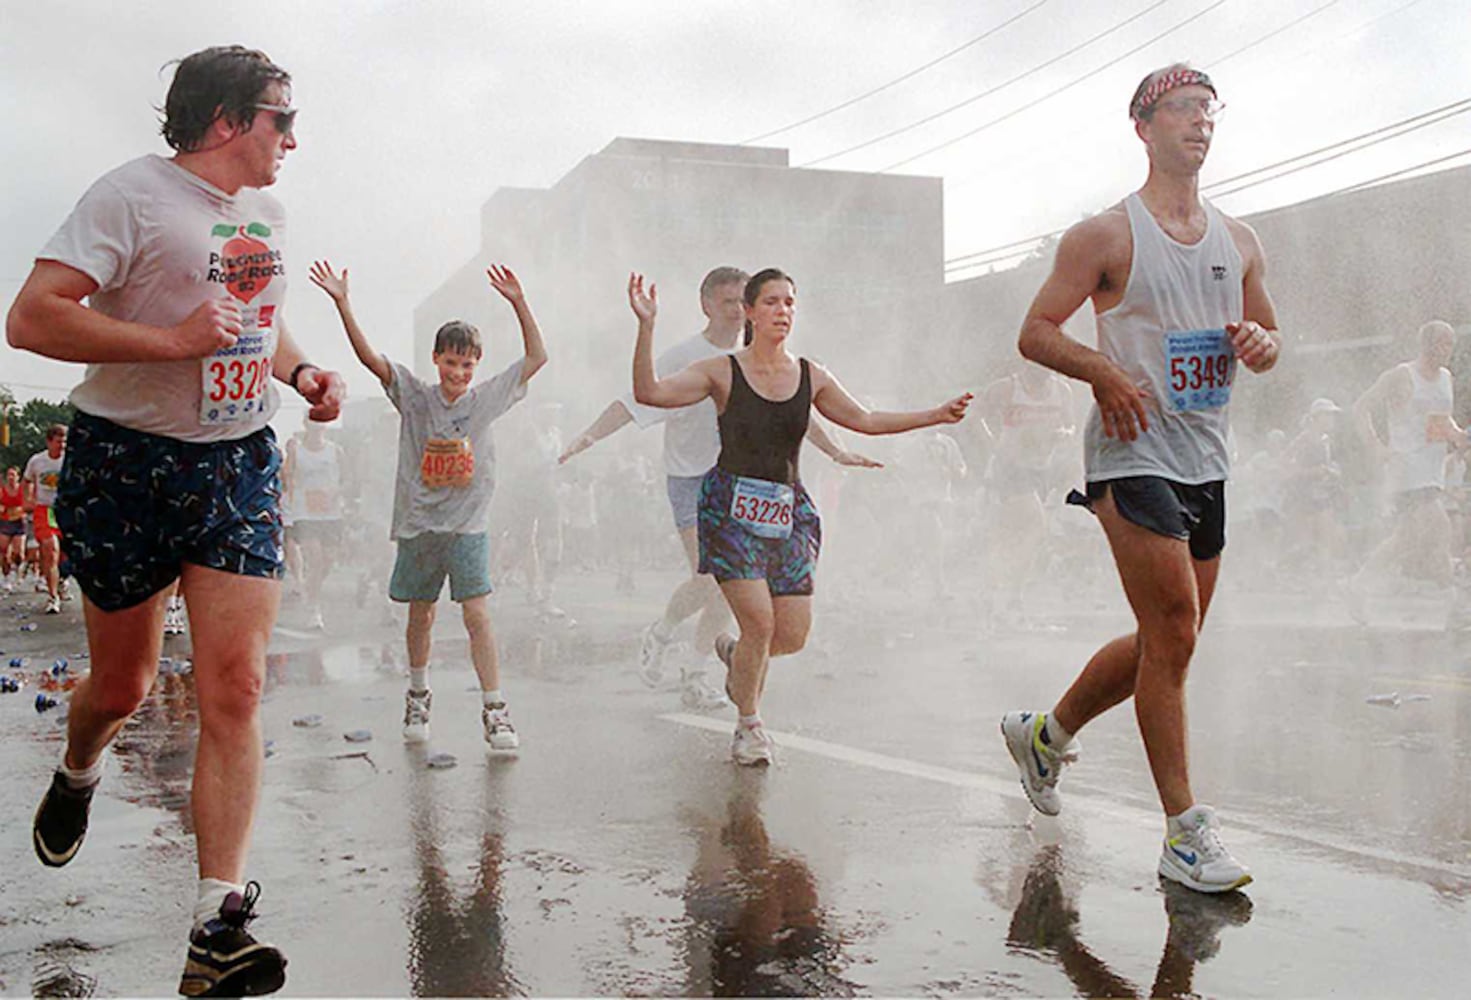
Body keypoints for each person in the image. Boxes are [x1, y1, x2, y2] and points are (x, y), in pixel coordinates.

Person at [6, 45, 345, 996]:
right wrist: (168, 342)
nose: (293, 138)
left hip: (235, 462)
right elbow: (30, 319)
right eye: (282, 118)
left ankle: (216, 925)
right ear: (229, 120)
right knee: (123, 686)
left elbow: (256, 317)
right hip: (124, 461)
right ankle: (79, 768)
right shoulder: (130, 198)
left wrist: (301, 371)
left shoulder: (265, 215)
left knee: (234, 686)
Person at [1000, 63, 1281, 893]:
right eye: (1183, 109)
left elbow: (1267, 335)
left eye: (1207, 110)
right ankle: (1183, 833)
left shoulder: (1239, 240)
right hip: (1129, 452)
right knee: (1175, 632)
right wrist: (1104, 374)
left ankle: (1044, 736)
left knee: (1170, 640)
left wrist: (1261, 347)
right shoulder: (1104, 236)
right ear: (1144, 128)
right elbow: (1035, 331)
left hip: (1206, 458)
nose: (1200, 122)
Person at [629, 268, 971, 765]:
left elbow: (866, 420)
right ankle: (749, 726)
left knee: (789, 635)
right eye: (770, 302)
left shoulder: (811, 374)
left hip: (789, 511)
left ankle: (734, 655)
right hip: (730, 511)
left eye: (789, 302)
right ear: (749, 311)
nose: (782, 311)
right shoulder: (720, 371)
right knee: (760, 624)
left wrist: (935, 415)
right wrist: (646, 326)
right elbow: (650, 393)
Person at [562, 267, 877, 712]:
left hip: (752, 488)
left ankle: (696, 670)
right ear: (707, 305)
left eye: (740, 300)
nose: (735, 310)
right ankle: (664, 630)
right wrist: (590, 435)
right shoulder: (690, 357)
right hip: (693, 480)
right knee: (710, 580)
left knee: (736, 594)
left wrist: (836, 449)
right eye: (727, 301)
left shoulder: (764, 356)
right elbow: (636, 399)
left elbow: (799, 411)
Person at [308, 259, 547, 750]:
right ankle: (418, 693)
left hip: (468, 524)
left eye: (467, 364)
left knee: (477, 614)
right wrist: (342, 303)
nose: (459, 372)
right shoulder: (414, 396)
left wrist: (519, 303)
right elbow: (370, 358)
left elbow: (537, 357)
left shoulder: (485, 399)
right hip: (420, 523)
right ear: (436, 359)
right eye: (451, 362)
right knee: (422, 613)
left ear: (475, 366)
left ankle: (494, 708)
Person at [1345, 320, 1461, 625]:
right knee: (1440, 526)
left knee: (1407, 540)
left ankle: (1358, 585)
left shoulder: (1446, 378)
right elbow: (1361, 407)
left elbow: (1440, 421)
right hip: (1407, 468)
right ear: (1426, 344)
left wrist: (1459, 437)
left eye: (1450, 344)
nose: (1447, 350)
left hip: (1431, 468)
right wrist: (1377, 447)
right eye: (1442, 343)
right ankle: (1455, 604)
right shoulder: (1402, 374)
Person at [283, 414, 346, 630]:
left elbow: (347, 478)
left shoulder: (335, 451)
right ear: (306, 425)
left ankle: (310, 590)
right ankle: (313, 609)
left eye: (321, 422)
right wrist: (290, 500)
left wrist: (336, 493)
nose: (317, 426)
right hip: (305, 513)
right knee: (315, 559)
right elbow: (287, 476)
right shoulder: (297, 450)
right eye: (313, 422)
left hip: (331, 513)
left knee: (327, 561)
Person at [23, 424, 68, 613]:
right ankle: (53, 597)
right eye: (59, 442)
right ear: (49, 442)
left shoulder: (70, 460)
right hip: (45, 510)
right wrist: (28, 499)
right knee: (50, 550)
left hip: (66, 511)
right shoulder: (37, 461)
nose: (62, 446)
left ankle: (61, 580)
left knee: (66, 555)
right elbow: (26, 481)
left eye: (65, 442)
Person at [1, 466, 26, 592]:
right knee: (4, 552)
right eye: (9, 475)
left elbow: (28, 503)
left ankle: (18, 567)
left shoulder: (22, 489)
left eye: (13, 475)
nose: (11, 477)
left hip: (19, 523)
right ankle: (6, 578)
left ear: (18, 477)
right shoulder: (2, 490)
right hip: (4, 522)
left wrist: (23, 511)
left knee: (19, 553)